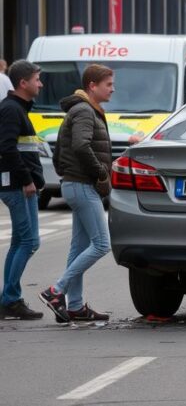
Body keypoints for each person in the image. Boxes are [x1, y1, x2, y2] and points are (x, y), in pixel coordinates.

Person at [39, 65, 115, 322]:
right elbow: (81, 146)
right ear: (92, 85)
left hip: (76, 183)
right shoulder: (84, 110)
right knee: (102, 245)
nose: (112, 88)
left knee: (79, 247)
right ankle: (56, 290)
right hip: (82, 185)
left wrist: (67, 172)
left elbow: (63, 150)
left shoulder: (83, 109)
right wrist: (100, 174)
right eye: (108, 84)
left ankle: (74, 306)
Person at [0, 60, 45, 320]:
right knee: (29, 241)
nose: (40, 84)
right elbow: (7, 148)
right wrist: (27, 179)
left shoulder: (18, 109)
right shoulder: (11, 110)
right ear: (23, 83)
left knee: (21, 241)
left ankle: (9, 298)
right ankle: (11, 299)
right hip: (17, 185)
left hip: (21, 183)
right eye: (37, 79)